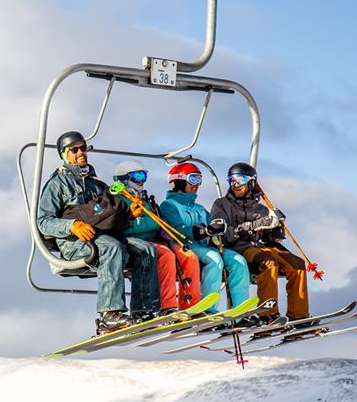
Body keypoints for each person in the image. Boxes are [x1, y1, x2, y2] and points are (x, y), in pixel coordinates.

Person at [37, 131, 160, 333]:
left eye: (83, 148)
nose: (80, 153)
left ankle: (144, 310)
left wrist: (129, 215)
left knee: (145, 250)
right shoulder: (57, 184)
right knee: (112, 248)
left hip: (101, 237)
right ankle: (109, 314)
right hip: (74, 243)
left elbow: (107, 218)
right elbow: (43, 221)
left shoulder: (96, 184)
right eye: (74, 150)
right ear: (64, 154)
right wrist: (72, 226)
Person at [211, 162, 309, 322]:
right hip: (238, 248)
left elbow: (270, 239)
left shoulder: (260, 209)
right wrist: (254, 226)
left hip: (260, 247)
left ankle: (298, 315)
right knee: (269, 263)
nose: (235, 184)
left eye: (240, 179)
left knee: (297, 264)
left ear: (251, 181)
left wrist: (277, 225)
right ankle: (268, 313)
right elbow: (225, 235)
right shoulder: (221, 204)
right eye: (231, 180)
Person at [159, 161, 251, 313]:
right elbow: (176, 230)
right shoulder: (169, 205)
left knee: (238, 261)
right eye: (193, 179)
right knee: (214, 259)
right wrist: (202, 231)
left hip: (206, 245)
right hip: (186, 246)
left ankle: (240, 311)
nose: (197, 184)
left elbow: (211, 224)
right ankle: (209, 308)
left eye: (199, 180)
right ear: (180, 181)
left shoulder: (199, 208)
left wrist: (216, 230)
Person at [112, 160, 201, 311]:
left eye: (144, 176)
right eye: (137, 176)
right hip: (134, 241)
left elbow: (155, 221)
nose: (141, 181)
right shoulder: (118, 199)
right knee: (165, 255)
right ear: (124, 179)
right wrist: (154, 223)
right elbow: (127, 226)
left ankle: (187, 305)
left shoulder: (143, 198)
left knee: (184, 254)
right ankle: (166, 305)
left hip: (154, 240)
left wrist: (158, 225)